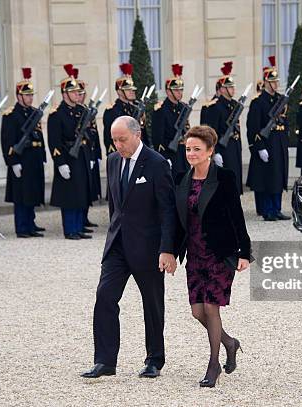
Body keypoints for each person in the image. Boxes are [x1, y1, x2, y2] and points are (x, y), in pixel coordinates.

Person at [82, 116, 176, 379]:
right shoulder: (112, 161)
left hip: (148, 247)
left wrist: (167, 249)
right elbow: (115, 206)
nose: (118, 145)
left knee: (152, 304)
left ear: (137, 134)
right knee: (105, 298)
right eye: (114, 140)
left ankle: (154, 360)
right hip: (117, 247)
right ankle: (105, 361)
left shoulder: (157, 164)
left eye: (122, 139)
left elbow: (167, 211)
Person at [174, 125, 251, 388]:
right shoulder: (182, 179)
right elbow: (178, 222)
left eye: (197, 149)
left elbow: (236, 216)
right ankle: (229, 342)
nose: (191, 153)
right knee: (197, 312)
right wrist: (171, 252)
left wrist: (245, 252)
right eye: (188, 149)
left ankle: (213, 364)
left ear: (210, 151)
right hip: (194, 255)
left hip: (219, 253)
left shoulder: (225, 178)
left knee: (210, 307)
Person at [47, 64, 93, 240]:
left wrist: (89, 154)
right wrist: (60, 163)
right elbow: (54, 142)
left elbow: (87, 135)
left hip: (81, 155)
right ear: (64, 94)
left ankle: (79, 226)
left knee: (81, 191)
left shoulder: (81, 111)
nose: (77, 94)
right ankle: (70, 229)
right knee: (69, 194)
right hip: (67, 156)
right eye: (73, 92)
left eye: (77, 92)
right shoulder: (56, 114)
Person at [0, 67, 46, 238]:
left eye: (31, 95)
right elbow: (7, 141)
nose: (30, 97)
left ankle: (31, 223)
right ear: (19, 96)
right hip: (21, 158)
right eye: (27, 95)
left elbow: (39, 136)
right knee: (21, 194)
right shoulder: (11, 115)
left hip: (34, 157)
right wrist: (13, 162)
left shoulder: (34, 112)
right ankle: (22, 226)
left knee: (33, 191)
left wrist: (42, 156)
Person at [246, 55, 290, 222]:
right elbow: (253, 128)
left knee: (278, 176)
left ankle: (277, 208)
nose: (276, 84)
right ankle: (268, 210)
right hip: (267, 144)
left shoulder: (280, 100)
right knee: (268, 178)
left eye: (277, 81)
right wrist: (259, 147)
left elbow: (285, 123)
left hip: (279, 142)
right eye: (273, 81)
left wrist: (285, 140)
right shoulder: (258, 102)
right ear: (266, 82)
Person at [200, 61, 243, 194]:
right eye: (229, 87)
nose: (233, 89)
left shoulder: (234, 104)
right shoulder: (215, 107)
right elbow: (211, 133)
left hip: (234, 146)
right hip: (223, 150)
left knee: (234, 180)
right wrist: (215, 152)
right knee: (224, 184)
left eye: (233, 86)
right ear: (222, 89)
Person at [74, 68, 102, 228]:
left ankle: (84, 218)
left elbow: (93, 134)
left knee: (88, 188)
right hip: (79, 153)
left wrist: (96, 154)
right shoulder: (79, 112)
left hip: (88, 152)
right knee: (80, 188)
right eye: (78, 93)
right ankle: (79, 221)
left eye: (82, 93)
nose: (81, 95)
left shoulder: (86, 111)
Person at [152, 63, 190, 178]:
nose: (180, 92)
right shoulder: (161, 110)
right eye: (176, 90)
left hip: (183, 152)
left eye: (181, 90)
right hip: (171, 154)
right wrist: (164, 158)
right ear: (168, 92)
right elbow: (158, 137)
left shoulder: (183, 107)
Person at [103, 63, 150, 155]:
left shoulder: (136, 107)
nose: (132, 92)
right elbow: (109, 137)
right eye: (128, 90)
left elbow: (143, 132)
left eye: (133, 89)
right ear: (119, 91)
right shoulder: (112, 111)